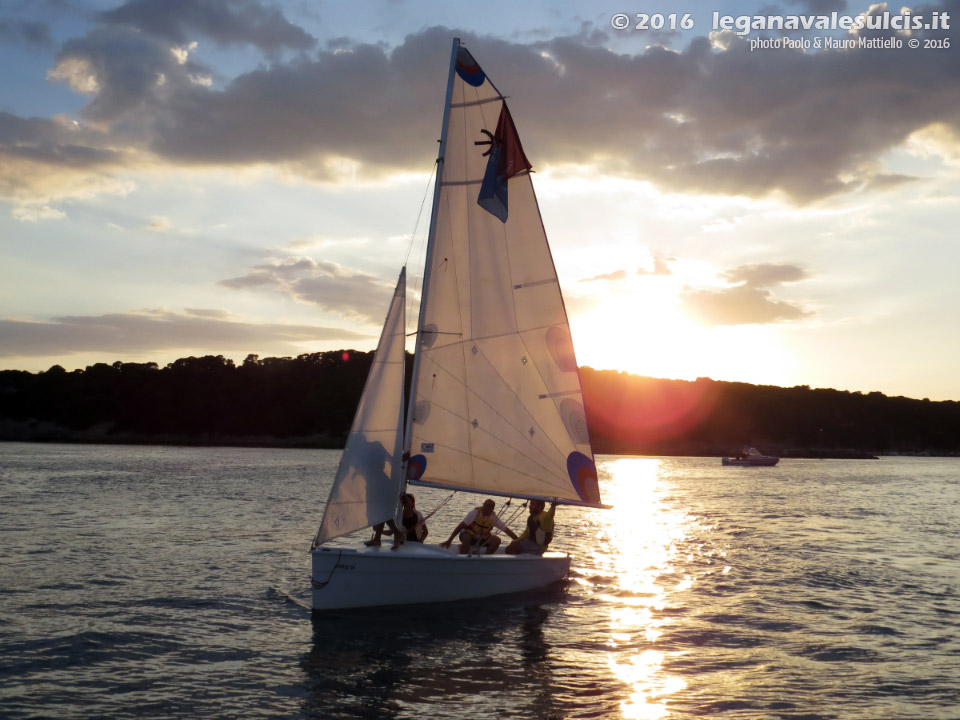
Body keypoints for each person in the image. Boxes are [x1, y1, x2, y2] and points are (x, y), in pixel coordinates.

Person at [440, 498, 518, 554]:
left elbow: (506, 530)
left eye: (488, 507)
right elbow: (460, 526)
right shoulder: (475, 513)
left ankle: (486, 558)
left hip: (481, 539)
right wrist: (449, 540)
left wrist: (519, 541)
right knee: (467, 537)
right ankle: (463, 558)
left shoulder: (493, 518)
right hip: (469, 536)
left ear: (492, 509)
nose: (485, 508)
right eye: (485, 505)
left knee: (497, 540)